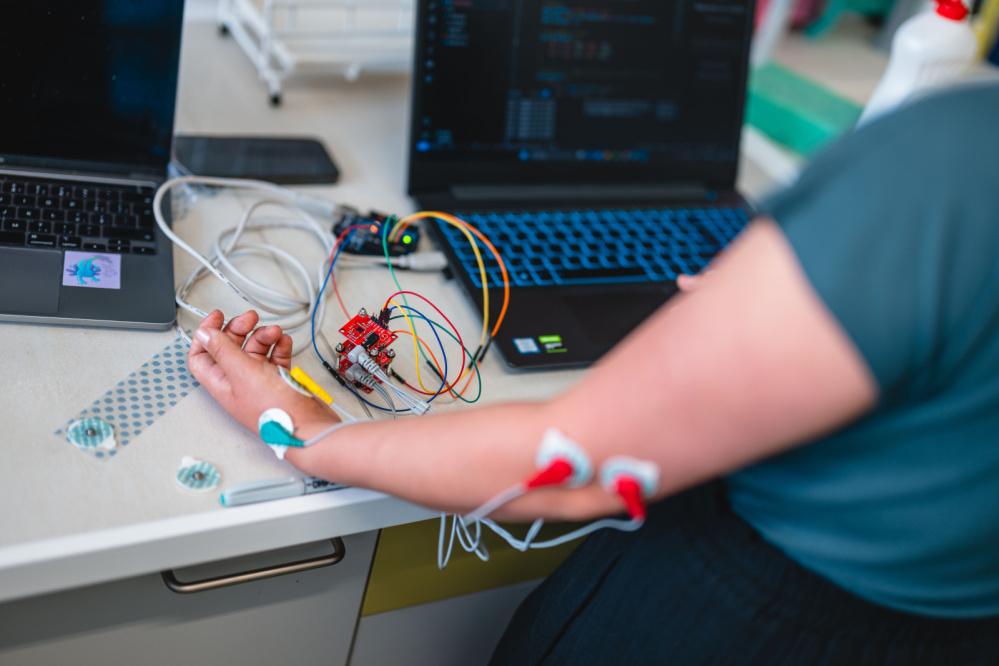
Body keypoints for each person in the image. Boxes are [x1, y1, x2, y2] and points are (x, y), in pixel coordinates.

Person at [188, 84, 999, 663]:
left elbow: (566, 467)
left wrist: (304, 431)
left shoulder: (951, 160)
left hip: (743, 621)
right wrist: (784, 317)